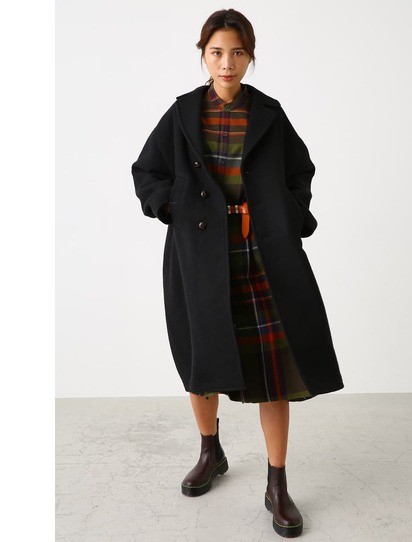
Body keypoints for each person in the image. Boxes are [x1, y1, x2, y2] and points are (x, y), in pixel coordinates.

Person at [131, 8, 344, 538]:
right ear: (203, 55)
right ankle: (211, 452)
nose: (227, 63)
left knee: (277, 373)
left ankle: (277, 483)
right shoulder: (182, 113)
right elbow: (147, 170)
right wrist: (172, 207)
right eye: (217, 52)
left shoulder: (268, 112)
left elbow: (300, 173)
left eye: (237, 52)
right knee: (200, 359)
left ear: (250, 56)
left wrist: (286, 216)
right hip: (199, 257)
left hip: (261, 256)